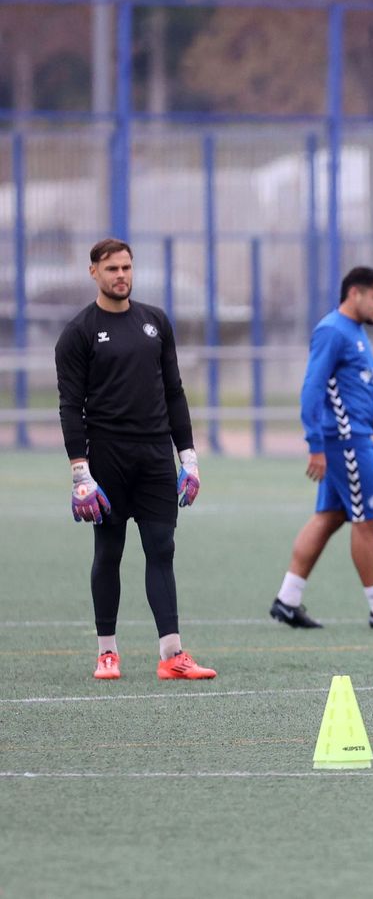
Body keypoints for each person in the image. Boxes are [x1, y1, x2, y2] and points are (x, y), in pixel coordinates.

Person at [55, 238, 215, 681]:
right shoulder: (79, 332)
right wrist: (79, 473)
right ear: (94, 273)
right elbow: (70, 406)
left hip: (154, 457)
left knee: (161, 548)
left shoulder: (155, 322)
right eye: (111, 269)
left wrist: (189, 459)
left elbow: (174, 392)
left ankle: (172, 655)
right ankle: (107, 652)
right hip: (107, 458)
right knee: (109, 551)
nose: (121, 275)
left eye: (126, 267)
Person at [269, 267, 373, 630]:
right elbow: (312, 388)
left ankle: (287, 600)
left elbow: (362, 387)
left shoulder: (353, 333)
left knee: (330, 516)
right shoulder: (332, 331)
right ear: (355, 293)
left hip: (350, 438)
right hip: (346, 441)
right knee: (369, 521)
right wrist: (315, 445)